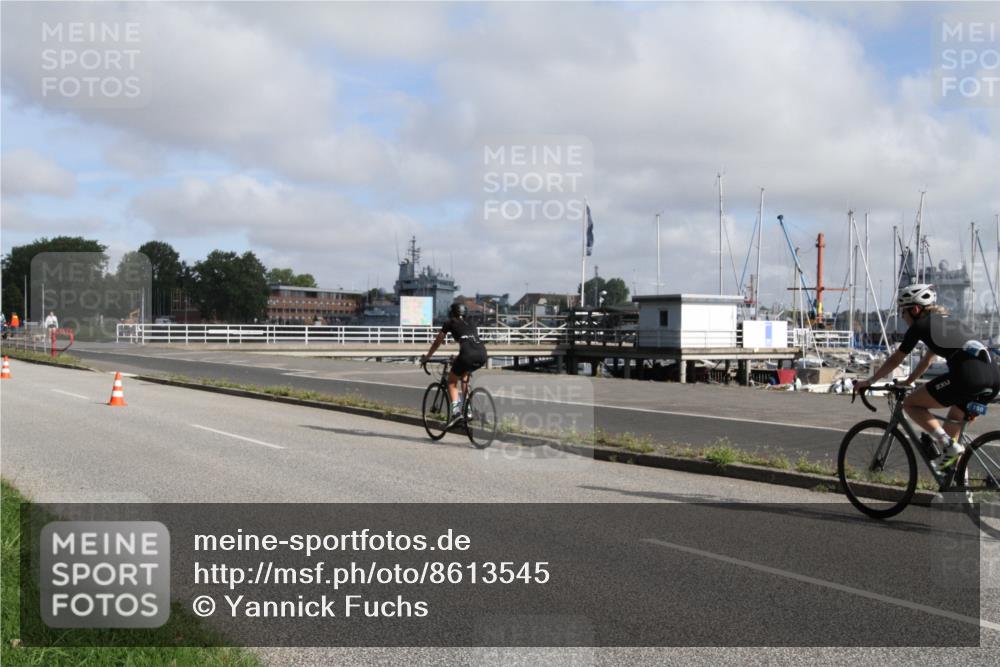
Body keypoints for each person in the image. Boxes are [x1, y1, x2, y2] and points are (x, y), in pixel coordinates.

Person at [854, 283, 1000, 468]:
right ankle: (959, 489)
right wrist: (908, 381)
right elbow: (927, 361)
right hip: (994, 378)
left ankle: (947, 445)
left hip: (968, 378)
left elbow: (896, 359)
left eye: (903, 312)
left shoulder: (920, 326)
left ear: (915, 309)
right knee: (951, 432)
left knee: (911, 404)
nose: (902, 317)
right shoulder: (948, 322)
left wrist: (869, 381)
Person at [420, 303, 488, 421]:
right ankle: (468, 410)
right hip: (482, 354)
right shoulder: (471, 323)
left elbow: (437, 342)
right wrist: (458, 357)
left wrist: (427, 357)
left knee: (451, 382)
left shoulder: (450, 322)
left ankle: (456, 413)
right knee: (464, 376)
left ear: (451, 313)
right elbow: (469, 343)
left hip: (467, 355)